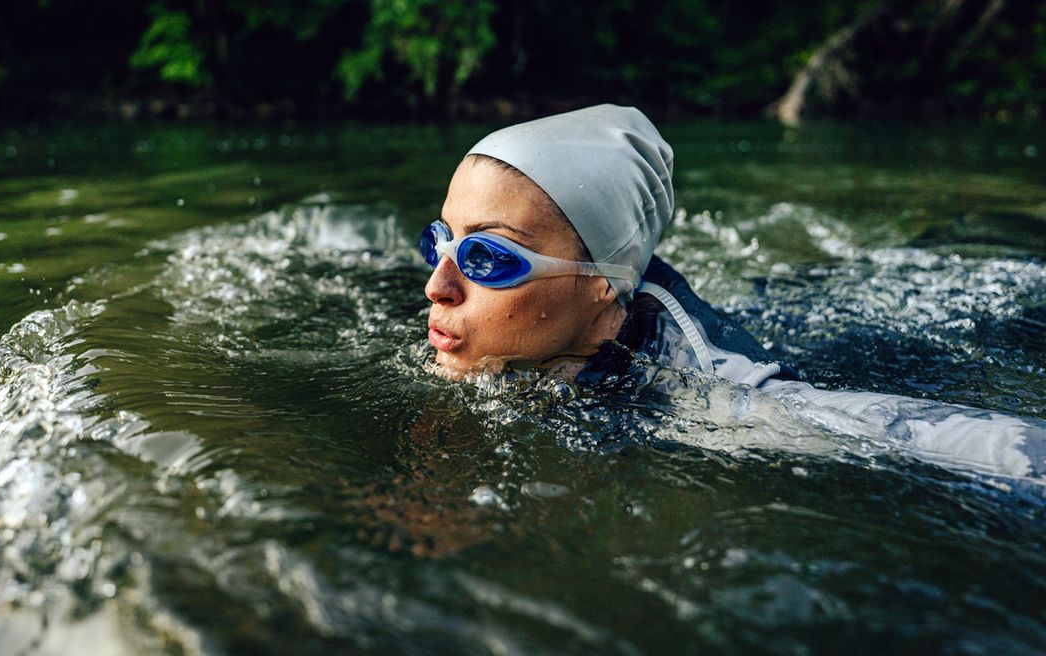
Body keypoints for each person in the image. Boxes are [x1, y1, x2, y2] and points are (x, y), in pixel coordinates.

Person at [421, 104, 1046, 487]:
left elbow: (912, 434)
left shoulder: (709, 392)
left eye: (488, 258)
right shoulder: (507, 313)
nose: (437, 286)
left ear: (600, 287)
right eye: (441, 241)